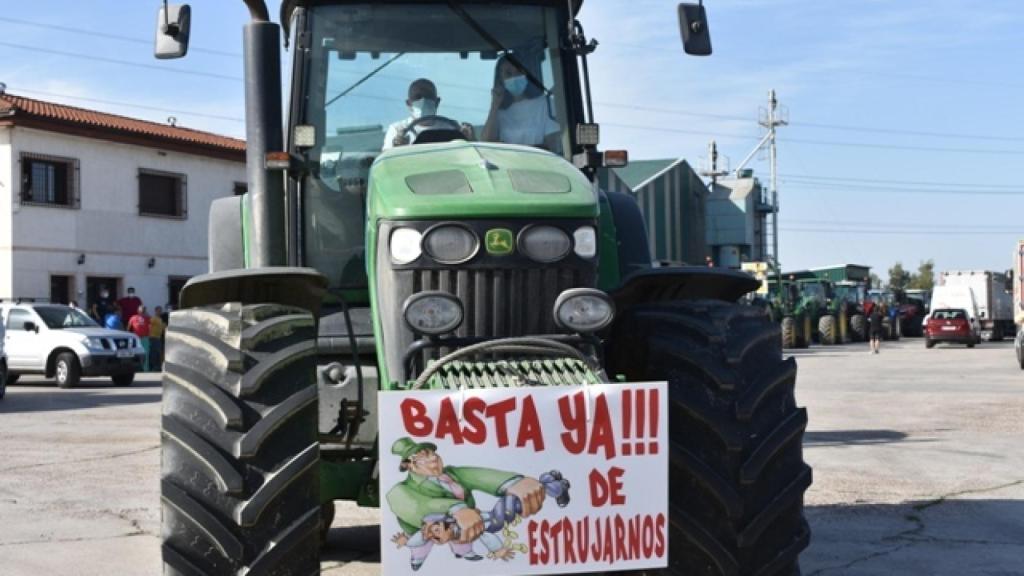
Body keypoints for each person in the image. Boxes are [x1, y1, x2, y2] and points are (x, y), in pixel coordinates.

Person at [482, 55, 561, 152]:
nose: (514, 77)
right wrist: (494, 106)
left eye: (518, 72)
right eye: (508, 73)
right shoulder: (499, 112)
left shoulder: (545, 104)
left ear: (527, 74)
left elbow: (553, 146)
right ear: (501, 80)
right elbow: (486, 144)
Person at [383, 79, 472, 150]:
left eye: (428, 97)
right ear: (409, 104)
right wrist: (396, 147)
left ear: (437, 102)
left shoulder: (453, 128)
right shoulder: (397, 130)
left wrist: (469, 138)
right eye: (418, 97)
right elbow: (386, 162)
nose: (423, 101)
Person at [128, 306, 152, 372]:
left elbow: (150, 328)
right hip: (136, 339)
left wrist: (149, 336)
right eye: (141, 309)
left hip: (145, 338)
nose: (142, 311)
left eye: (144, 309)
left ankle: (145, 369)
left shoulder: (148, 318)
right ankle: (134, 369)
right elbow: (129, 328)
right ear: (138, 310)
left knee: (146, 354)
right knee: (134, 354)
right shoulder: (133, 317)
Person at [149, 306, 165, 372]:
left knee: (158, 352)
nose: (160, 312)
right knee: (154, 353)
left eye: (161, 310)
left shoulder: (160, 319)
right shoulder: (153, 318)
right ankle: (154, 367)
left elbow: (163, 328)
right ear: (155, 311)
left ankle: (157, 367)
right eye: (159, 310)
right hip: (153, 337)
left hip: (158, 337)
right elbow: (149, 326)